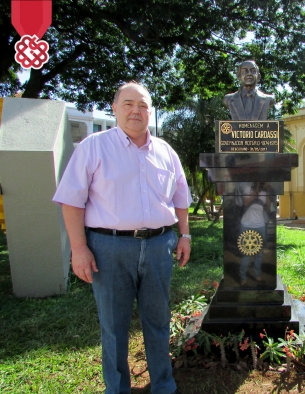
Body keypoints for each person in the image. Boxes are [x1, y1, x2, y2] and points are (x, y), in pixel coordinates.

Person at [53, 81, 191, 394]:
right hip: (108, 248)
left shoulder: (166, 152)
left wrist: (184, 234)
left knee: (158, 322)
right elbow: (71, 200)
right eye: (128, 103)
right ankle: (117, 389)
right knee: (113, 327)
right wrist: (79, 249)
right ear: (114, 108)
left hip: (159, 246)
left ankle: (163, 386)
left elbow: (181, 198)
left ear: (150, 111)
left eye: (142, 105)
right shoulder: (93, 146)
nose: (136, 111)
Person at [237, 182, 271, 286]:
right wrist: (254, 195)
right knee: (246, 253)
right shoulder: (248, 189)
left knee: (259, 254)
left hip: (260, 225)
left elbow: (268, 208)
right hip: (246, 225)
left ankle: (257, 275)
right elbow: (246, 203)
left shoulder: (264, 193)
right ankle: (243, 278)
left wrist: (268, 193)